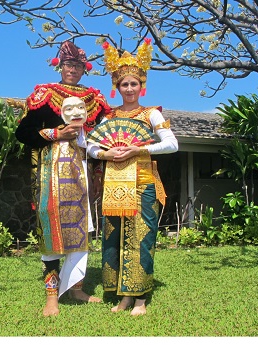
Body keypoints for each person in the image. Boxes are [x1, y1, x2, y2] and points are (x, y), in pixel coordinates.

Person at [15, 40, 111, 317]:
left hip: (81, 172)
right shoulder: (45, 94)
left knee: (83, 230)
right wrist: (56, 134)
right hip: (51, 172)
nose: (73, 70)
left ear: (84, 69)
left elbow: (101, 139)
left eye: (78, 66)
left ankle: (77, 289)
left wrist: (97, 171)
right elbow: (23, 134)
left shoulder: (95, 99)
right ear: (60, 66)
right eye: (68, 65)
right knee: (52, 232)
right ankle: (52, 296)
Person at [86, 38, 178, 316]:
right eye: (124, 84)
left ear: (141, 86)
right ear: (117, 87)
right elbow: (91, 145)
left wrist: (140, 147)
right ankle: (122, 295)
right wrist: (105, 155)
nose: (129, 89)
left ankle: (140, 297)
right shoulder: (108, 117)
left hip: (143, 184)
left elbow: (173, 144)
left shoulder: (151, 115)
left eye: (133, 84)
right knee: (114, 238)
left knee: (141, 238)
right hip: (114, 184)